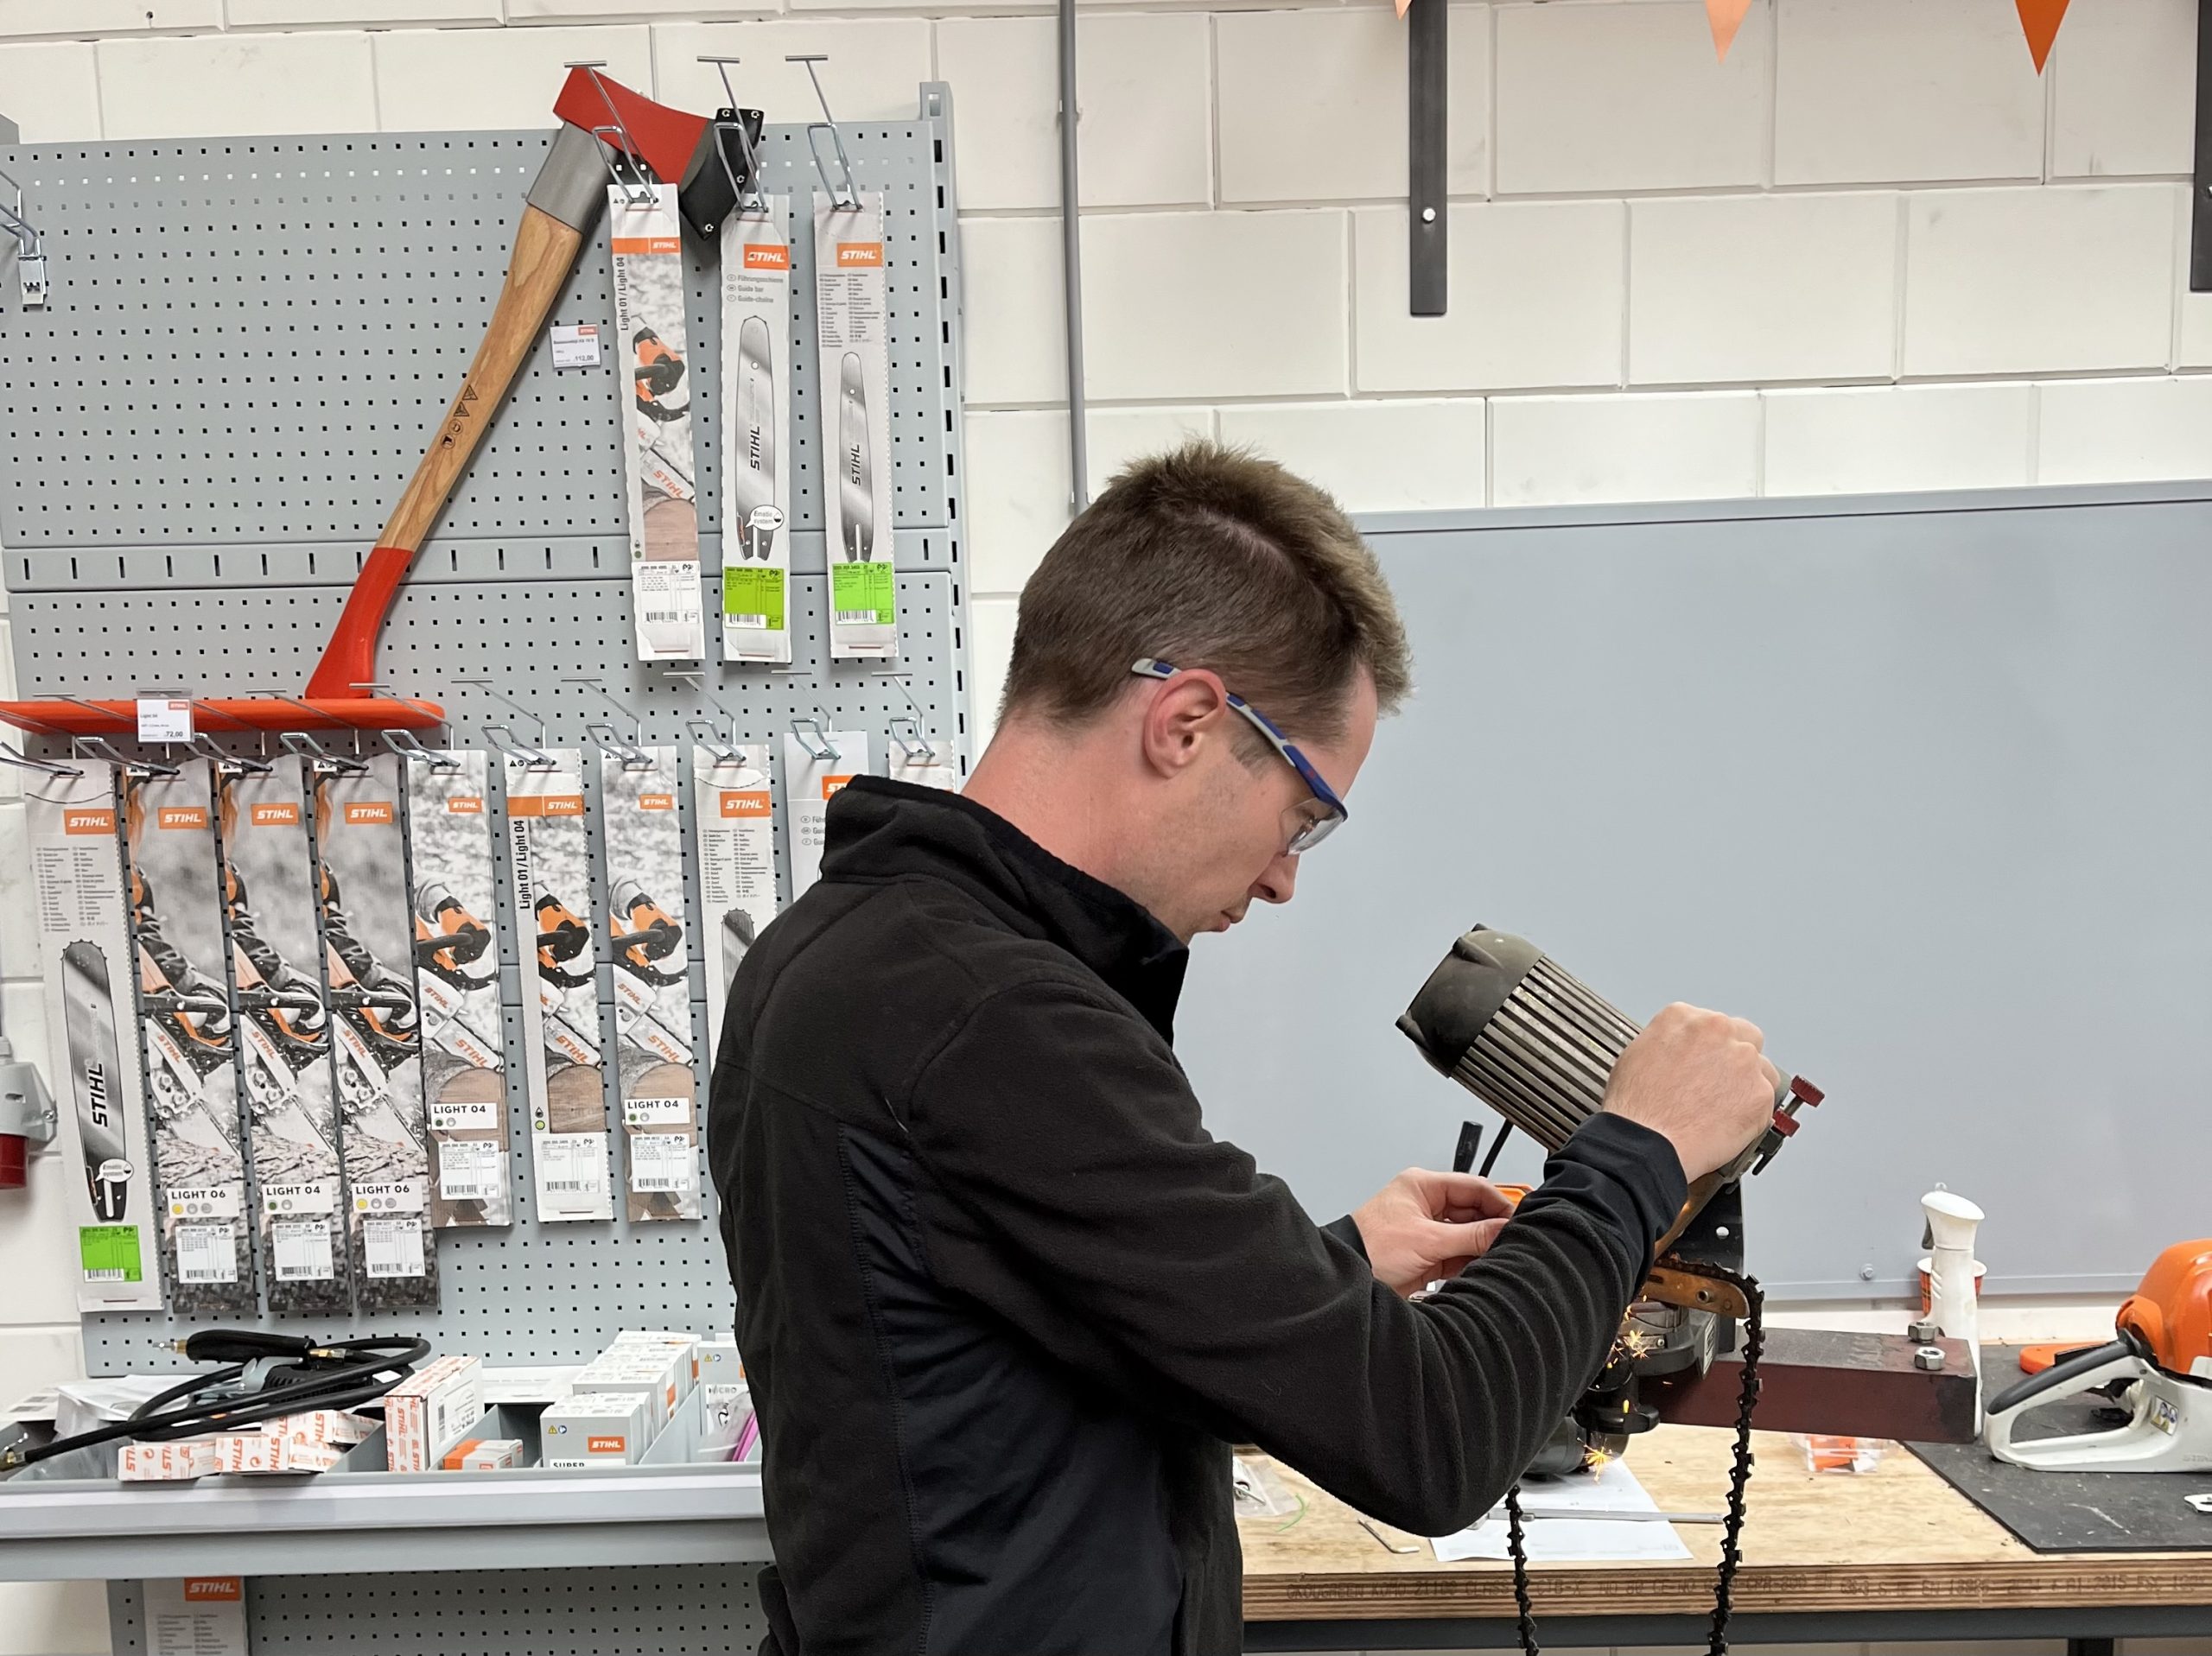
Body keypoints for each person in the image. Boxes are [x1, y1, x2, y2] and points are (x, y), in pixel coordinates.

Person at [706, 441, 1780, 1656]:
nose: (1282, 878)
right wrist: (1637, 1150)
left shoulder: (840, 951)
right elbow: (1432, 1436)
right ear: (1186, 723)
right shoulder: (992, 1019)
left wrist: (1333, 1267)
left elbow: (1027, 1338)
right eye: (1304, 816)